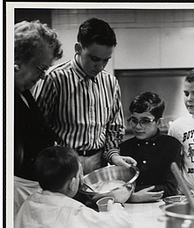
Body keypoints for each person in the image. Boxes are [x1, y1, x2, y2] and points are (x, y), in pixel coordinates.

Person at [33, 18, 136, 175]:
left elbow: (114, 128)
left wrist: (114, 155)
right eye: (94, 59)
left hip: (98, 162)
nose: (100, 66)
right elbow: (38, 129)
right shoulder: (54, 78)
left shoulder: (110, 82)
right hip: (62, 166)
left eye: (106, 60)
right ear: (78, 48)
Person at [14, 20, 63, 217]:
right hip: (15, 195)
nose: (43, 76)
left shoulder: (23, 93)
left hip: (31, 191)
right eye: (40, 68)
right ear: (16, 59)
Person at [120, 92, 182, 203]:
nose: (138, 126)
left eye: (145, 121)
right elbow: (118, 185)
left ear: (158, 122)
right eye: (134, 120)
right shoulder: (124, 148)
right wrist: (133, 197)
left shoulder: (172, 146)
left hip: (160, 205)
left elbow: (170, 187)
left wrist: (131, 193)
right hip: (128, 205)